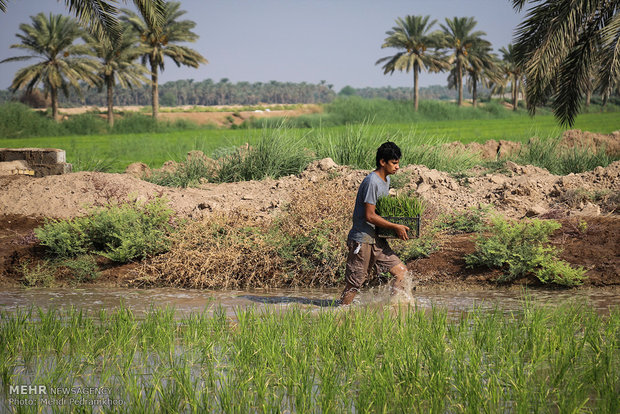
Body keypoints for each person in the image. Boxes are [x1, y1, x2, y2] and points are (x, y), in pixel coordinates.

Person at [340, 141, 410, 305]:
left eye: (398, 162)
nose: (397, 167)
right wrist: (395, 226)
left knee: (401, 273)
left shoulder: (386, 181)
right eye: (394, 163)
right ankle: (339, 314)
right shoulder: (372, 181)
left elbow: (380, 212)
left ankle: (394, 309)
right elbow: (370, 216)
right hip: (363, 239)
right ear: (382, 162)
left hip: (377, 239)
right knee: (354, 283)